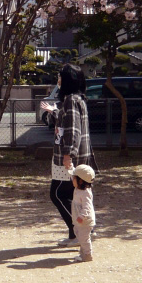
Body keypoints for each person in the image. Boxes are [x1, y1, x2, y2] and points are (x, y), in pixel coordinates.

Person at [50, 63, 95, 246]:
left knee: (59, 194)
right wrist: (54, 112)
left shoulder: (71, 100)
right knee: (72, 195)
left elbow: (73, 129)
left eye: (60, 77)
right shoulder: (78, 99)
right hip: (78, 156)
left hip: (70, 157)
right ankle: (75, 234)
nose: (58, 80)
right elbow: (67, 124)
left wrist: (68, 153)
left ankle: (80, 232)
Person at [70, 163, 96, 262]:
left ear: (80, 181)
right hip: (79, 220)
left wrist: (82, 216)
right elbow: (74, 174)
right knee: (79, 235)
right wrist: (70, 168)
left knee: (84, 238)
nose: (72, 180)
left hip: (85, 221)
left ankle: (88, 255)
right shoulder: (78, 188)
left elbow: (87, 207)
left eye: (74, 178)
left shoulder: (86, 192)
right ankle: (83, 252)